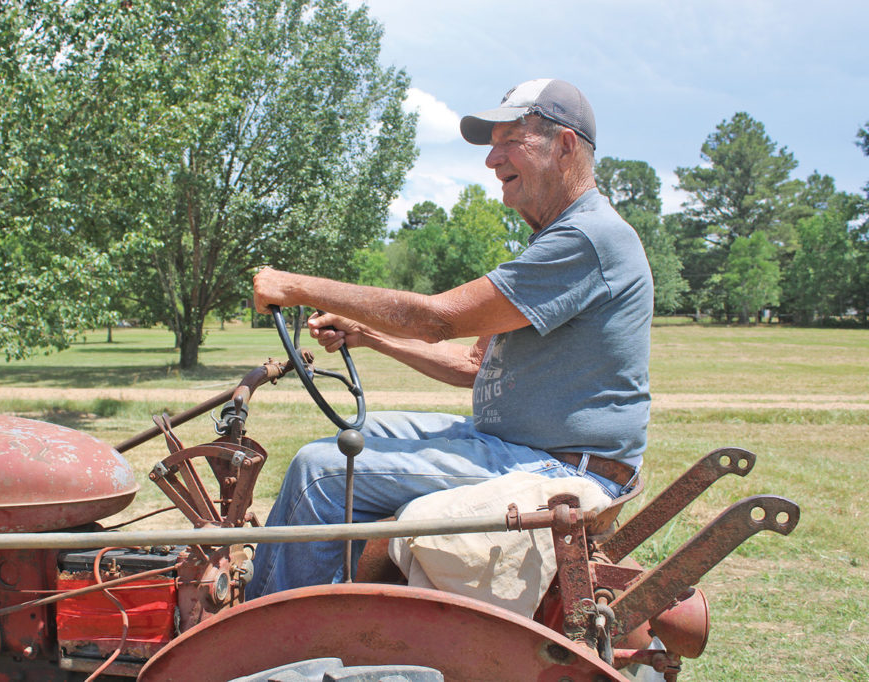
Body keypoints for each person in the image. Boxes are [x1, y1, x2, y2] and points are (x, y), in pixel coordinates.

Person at [247, 78, 653, 599]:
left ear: (565, 146)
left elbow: (435, 319)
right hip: (517, 445)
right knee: (361, 440)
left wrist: (295, 286)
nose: (492, 159)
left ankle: (268, 638)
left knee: (319, 472)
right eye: (492, 144)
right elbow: (473, 366)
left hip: (558, 466)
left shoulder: (587, 239)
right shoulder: (558, 240)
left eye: (512, 140)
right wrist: (369, 335)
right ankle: (330, 598)